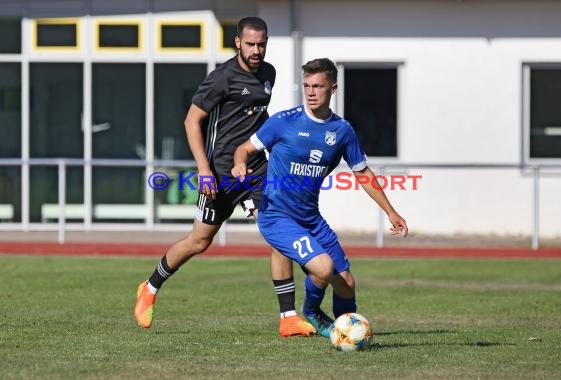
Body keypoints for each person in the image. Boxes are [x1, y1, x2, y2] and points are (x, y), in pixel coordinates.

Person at [134, 17, 316, 338]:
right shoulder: (221, 78)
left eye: (261, 44)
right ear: (237, 43)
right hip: (219, 173)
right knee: (199, 241)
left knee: (278, 232)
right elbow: (192, 122)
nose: (257, 50)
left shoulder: (268, 74)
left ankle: (288, 317)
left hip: (256, 168)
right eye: (250, 44)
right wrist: (203, 170)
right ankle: (150, 286)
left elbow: (256, 118)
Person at [231, 58, 409, 337]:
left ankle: (347, 330)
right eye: (306, 86)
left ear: (333, 88)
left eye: (318, 86)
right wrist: (240, 162)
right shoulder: (283, 122)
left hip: (310, 219)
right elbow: (243, 149)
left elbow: (363, 173)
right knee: (323, 268)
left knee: (347, 283)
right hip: (277, 216)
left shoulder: (342, 131)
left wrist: (391, 211)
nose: (311, 92)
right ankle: (311, 311)